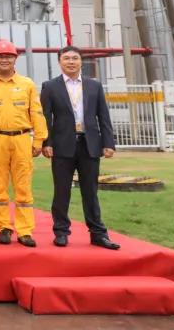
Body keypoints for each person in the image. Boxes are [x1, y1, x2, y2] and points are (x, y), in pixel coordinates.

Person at [41, 46, 120, 250]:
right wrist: (46, 143)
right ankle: (61, 232)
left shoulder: (94, 86)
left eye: (75, 58)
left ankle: (98, 234)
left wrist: (108, 143)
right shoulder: (50, 86)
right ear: (60, 61)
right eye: (66, 58)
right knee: (61, 191)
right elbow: (46, 118)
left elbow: (103, 115)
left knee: (90, 191)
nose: (71, 62)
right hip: (62, 146)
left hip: (89, 144)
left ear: (81, 61)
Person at [0, 39, 48, 247]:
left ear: (15, 59)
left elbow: (36, 112)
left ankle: (25, 230)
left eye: (8, 56)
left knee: (23, 186)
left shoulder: (27, 84)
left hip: (22, 139)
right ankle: (3, 227)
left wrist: (39, 139)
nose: (4, 60)